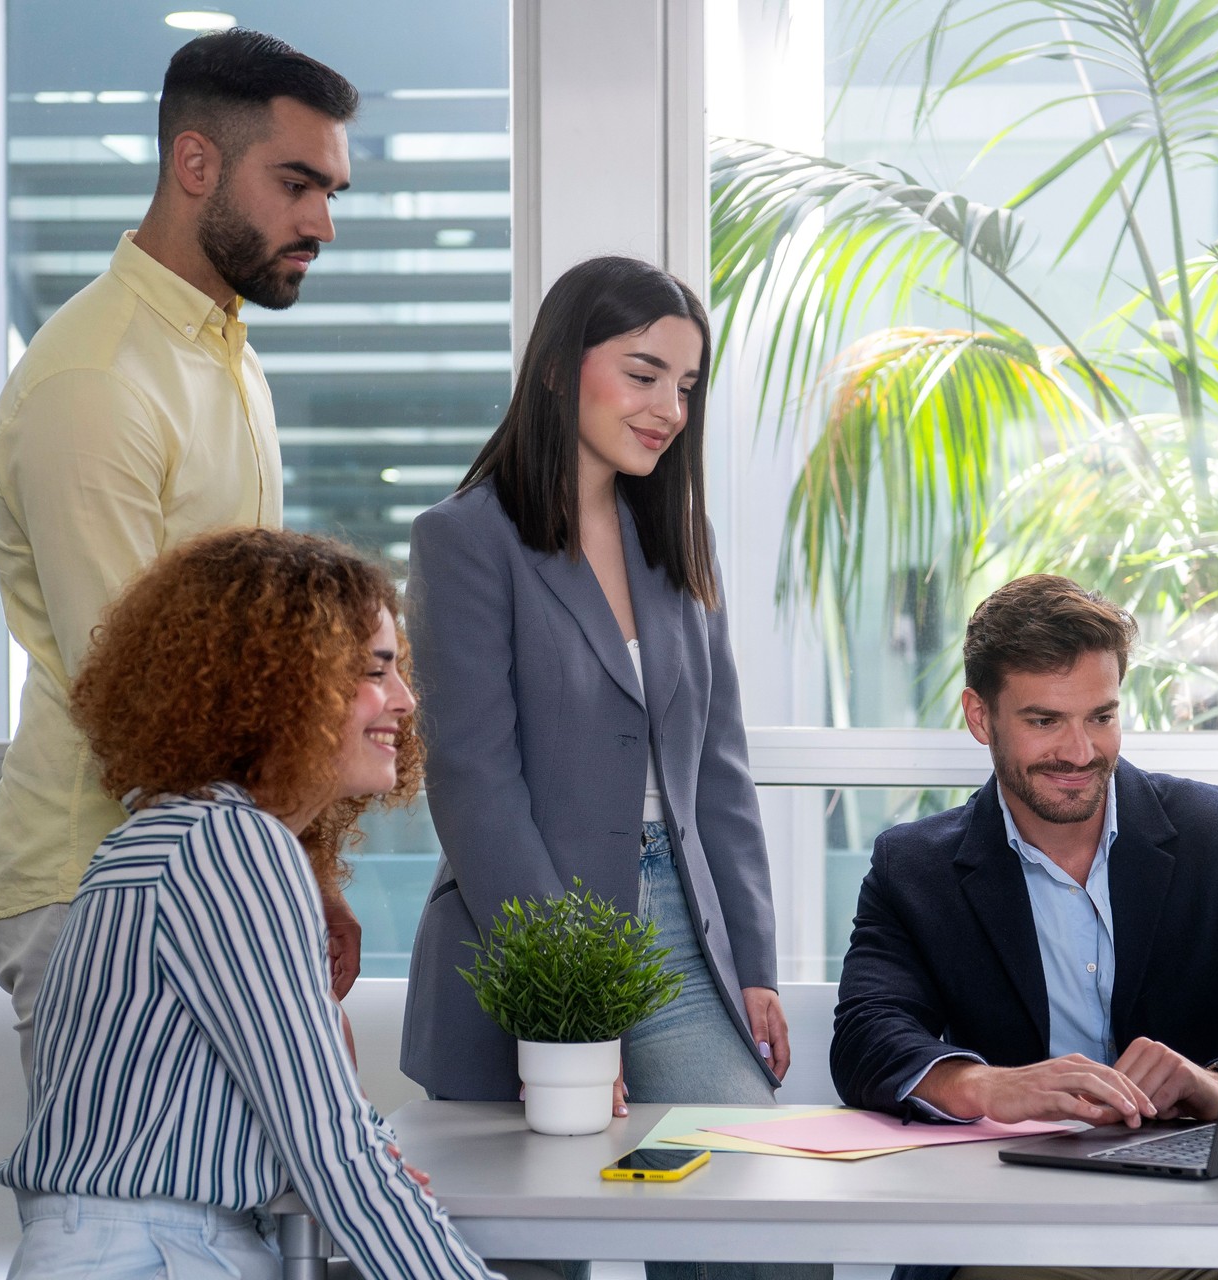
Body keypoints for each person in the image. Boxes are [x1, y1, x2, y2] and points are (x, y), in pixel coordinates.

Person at [402, 256, 820, 1280]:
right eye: (642, 374)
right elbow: (472, 782)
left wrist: (752, 960)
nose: (669, 407)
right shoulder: (466, 540)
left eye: (685, 385)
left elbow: (717, 767)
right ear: (558, 369)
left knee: (760, 1234)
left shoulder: (676, 534)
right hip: (530, 928)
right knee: (537, 1250)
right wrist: (573, 1000)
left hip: (679, 930)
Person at [0, 28, 362, 1078]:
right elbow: (141, 702)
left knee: (240, 1226)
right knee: (127, 1230)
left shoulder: (226, 357)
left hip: (208, 864)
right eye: (295, 183)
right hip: (97, 883)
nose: (320, 221)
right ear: (196, 165)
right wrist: (277, 893)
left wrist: (306, 878)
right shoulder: (94, 380)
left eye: (332, 191)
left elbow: (252, 670)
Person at [0, 527, 499, 1280]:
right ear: (277, 686)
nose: (405, 698)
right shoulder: (231, 848)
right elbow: (330, 1148)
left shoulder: (168, 831)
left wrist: (364, 1161)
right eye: (373, 671)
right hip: (158, 1259)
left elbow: (306, 1118)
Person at [833, 573, 1218, 1280]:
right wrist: (992, 1086)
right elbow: (866, 1038)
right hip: (1020, 1232)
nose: (1080, 753)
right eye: (1044, 721)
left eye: (1101, 717)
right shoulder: (913, 868)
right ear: (980, 717)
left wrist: (1210, 1086)